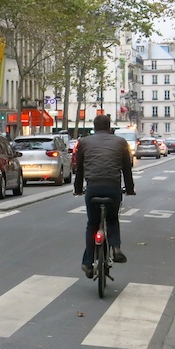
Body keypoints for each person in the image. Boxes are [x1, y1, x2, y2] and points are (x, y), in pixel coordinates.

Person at [73, 114, 135, 278]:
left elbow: (79, 170)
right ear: (110, 127)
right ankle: (116, 248)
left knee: (92, 224)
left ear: (94, 127)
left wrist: (78, 189)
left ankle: (88, 263)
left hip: (93, 188)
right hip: (112, 188)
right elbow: (126, 169)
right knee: (112, 219)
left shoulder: (84, 142)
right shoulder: (121, 142)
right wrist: (130, 189)